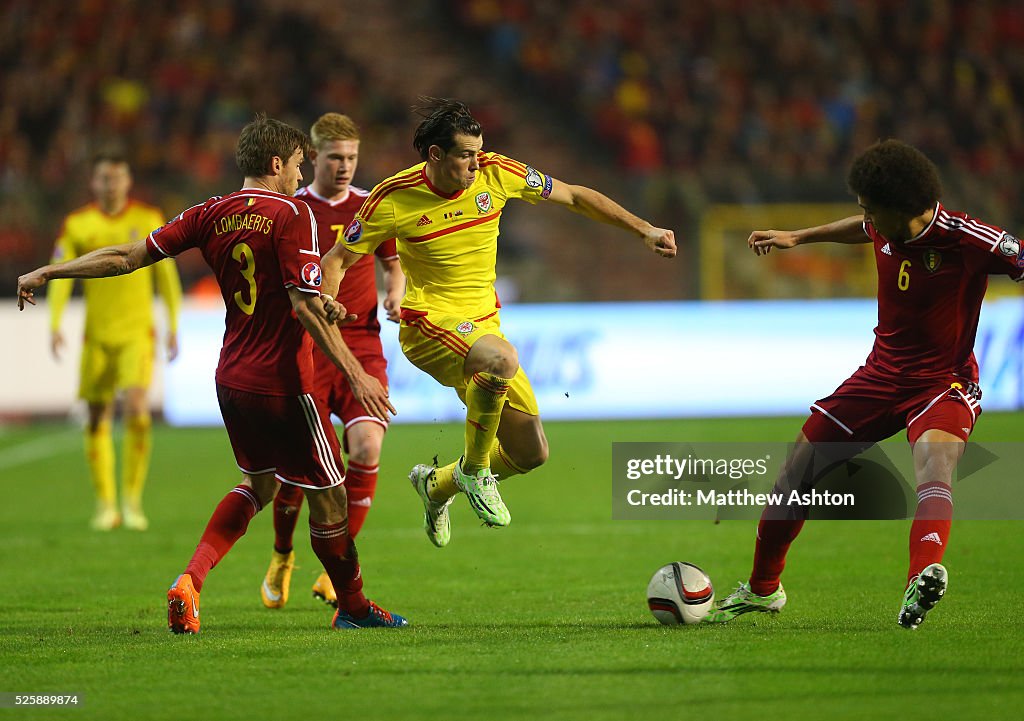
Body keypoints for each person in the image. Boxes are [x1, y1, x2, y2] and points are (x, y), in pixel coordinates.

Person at [18, 115, 407, 632]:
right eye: (296, 165)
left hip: (231, 379)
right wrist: (356, 374)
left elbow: (127, 256)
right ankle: (354, 610)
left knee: (259, 485)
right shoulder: (295, 215)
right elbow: (304, 307)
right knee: (331, 495)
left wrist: (52, 270)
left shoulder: (208, 212)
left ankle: (190, 581)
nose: (300, 175)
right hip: (284, 383)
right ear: (276, 164)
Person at [321, 97, 676, 547]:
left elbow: (574, 196)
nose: (477, 162)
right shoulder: (392, 198)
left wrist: (644, 229)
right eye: (466, 154)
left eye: (479, 150)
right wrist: (328, 301)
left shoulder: (496, 172)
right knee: (502, 359)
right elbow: (337, 260)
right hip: (427, 323)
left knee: (532, 453)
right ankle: (476, 471)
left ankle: (437, 485)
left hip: (483, 325)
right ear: (436, 155)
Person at [703, 139, 1023, 629]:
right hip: (879, 376)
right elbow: (862, 229)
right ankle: (763, 589)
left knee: (935, 470)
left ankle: (923, 574)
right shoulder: (883, 223)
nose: (865, 216)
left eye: (872, 208)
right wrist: (799, 237)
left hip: (943, 384)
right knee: (795, 475)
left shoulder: (968, 239)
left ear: (903, 209)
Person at [261, 112, 405, 610]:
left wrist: (394, 294)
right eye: (335, 158)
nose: (344, 167)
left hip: (363, 342)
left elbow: (392, 261)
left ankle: (336, 565)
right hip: (307, 350)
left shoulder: (371, 205)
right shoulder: (292, 209)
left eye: (352, 158)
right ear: (315, 157)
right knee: (300, 473)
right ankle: (282, 554)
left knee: (366, 446)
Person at [48, 150, 182, 531]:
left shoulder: (148, 219)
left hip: (137, 333)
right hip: (97, 335)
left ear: (127, 182)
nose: (111, 185)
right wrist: (54, 322)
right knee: (96, 417)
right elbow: (61, 277)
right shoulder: (77, 223)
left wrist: (173, 324)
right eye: (104, 179)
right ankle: (106, 505)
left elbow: (166, 278)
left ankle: (133, 501)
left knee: (138, 409)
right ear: (94, 183)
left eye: (118, 178)